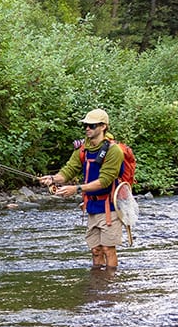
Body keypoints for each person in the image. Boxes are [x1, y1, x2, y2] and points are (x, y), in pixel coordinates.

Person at [39, 109, 125, 270]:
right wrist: (52, 178)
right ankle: (98, 286)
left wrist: (76, 188)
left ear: (103, 126)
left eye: (91, 125)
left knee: (108, 249)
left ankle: (111, 288)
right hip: (92, 206)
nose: (87, 128)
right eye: (86, 125)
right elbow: (68, 171)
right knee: (95, 250)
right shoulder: (83, 150)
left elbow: (104, 181)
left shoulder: (114, 151)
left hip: (110, 206)